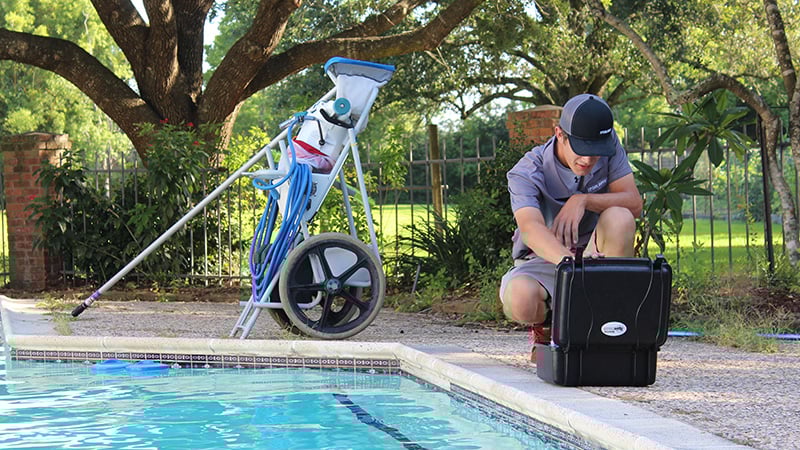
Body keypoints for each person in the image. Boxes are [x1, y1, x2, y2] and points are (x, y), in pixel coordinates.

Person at [499, 93, 642, 361]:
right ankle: (547, 329)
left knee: (621, 217)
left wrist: (583, 200)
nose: (589, 160)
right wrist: (571, 265)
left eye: (597, 151)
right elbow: (530, 228)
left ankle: (606, 328)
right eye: (581, 148)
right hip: (544, 258)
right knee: (520, 299)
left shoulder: (609, 148)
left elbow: (633, 203)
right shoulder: (527, 171)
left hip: (597, 254)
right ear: (559, 134)